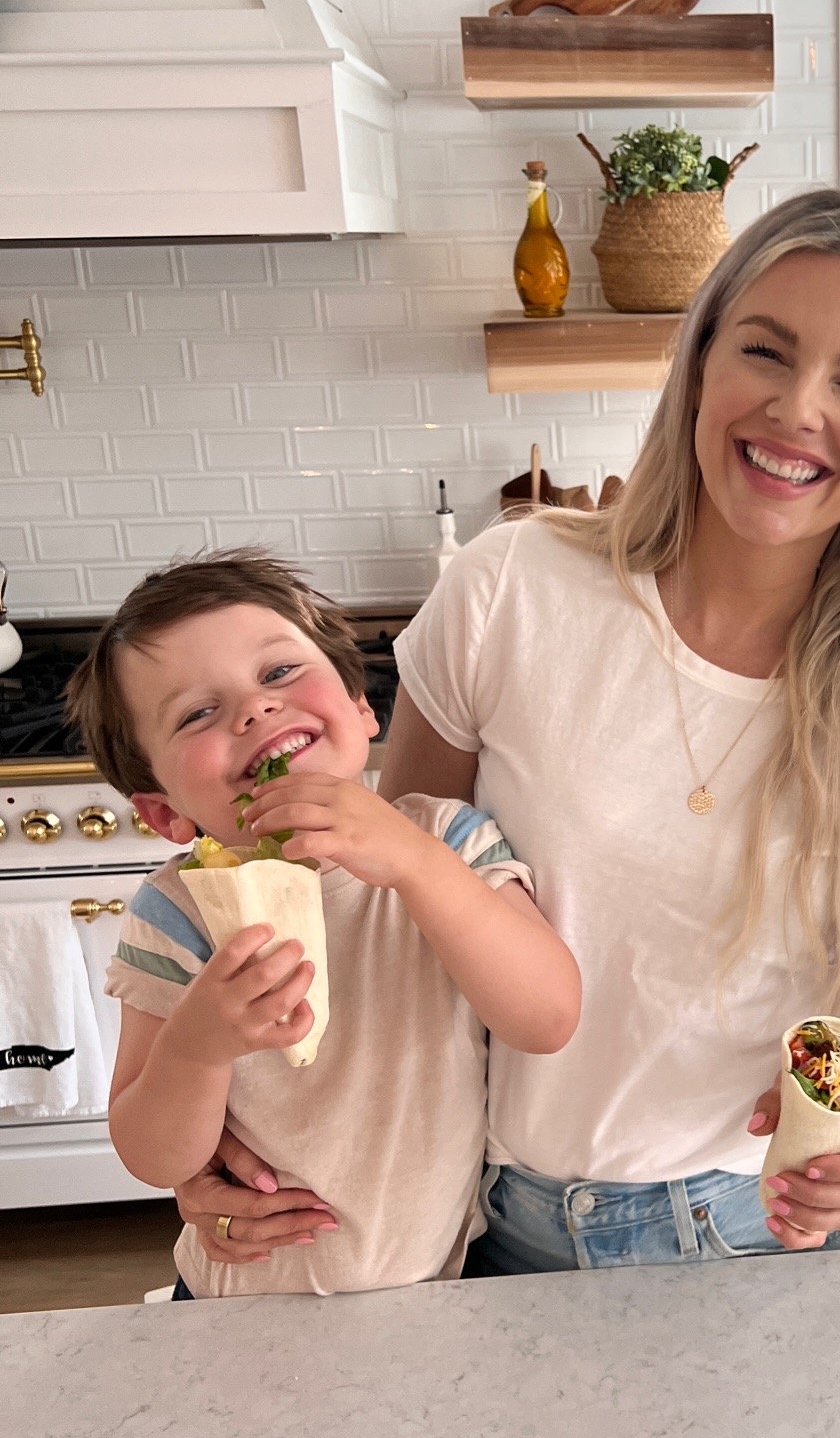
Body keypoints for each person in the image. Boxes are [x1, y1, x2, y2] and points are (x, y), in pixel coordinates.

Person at [173, 189, 840, 1273]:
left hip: (783, 1232)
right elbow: (382, 935)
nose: (799, 409)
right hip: (514, 1225)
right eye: (765, 350)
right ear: (700, 364)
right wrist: (217, 1138)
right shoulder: (509, 589)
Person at [66, 550, 579, 1296]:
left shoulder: (448, 842)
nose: (254, 709)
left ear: (362, 705)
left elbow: (547, 1016)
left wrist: (413, 860)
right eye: (198, 712)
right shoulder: (179, 910)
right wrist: (197, 1046)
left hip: (432, 1294)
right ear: (163, 810)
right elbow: (153, 1155)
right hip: (237, 1306)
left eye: (278, 673)